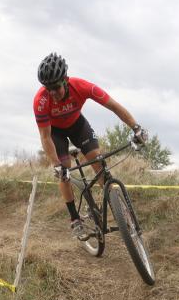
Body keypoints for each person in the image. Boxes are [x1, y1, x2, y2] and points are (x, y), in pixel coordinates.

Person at [33, 53, 147, 239]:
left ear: (66, 80)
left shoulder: (81, 86)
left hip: (78, 126)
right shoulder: (41, 101)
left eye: (56, 87)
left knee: (97, 160)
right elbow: (45, 137)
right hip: (56, 133)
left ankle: (116, 208)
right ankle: (74, 218)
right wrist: (56, 164)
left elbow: (113, 106)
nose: (52, 93)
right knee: (65, 171)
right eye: (48, 88)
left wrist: (136, 128)